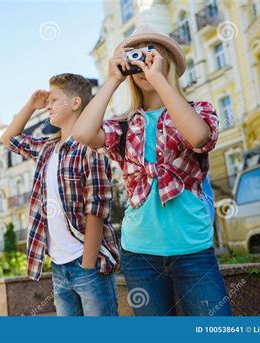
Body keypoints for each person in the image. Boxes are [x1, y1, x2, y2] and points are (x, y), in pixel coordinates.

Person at [73, 25, 231, 316]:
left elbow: (198, 137)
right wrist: (112, 80)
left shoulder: (200, 109)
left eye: (151, 54)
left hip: (192, 249)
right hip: (140, 254)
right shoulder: (124, 125)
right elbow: (83, 133)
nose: (144, 62)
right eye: (137, 56)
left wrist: (158, 79)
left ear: (167, 60)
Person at [1, 73, 120, 316]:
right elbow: (9, 139)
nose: (48, 106)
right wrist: (30, 106)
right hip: (59, 266)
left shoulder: (91, 147)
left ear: (75, 103)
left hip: (87, 265)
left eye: (54, 100)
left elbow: (96, 209)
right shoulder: (46, 149)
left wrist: (87, 264)